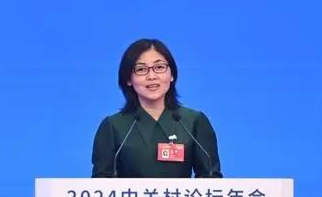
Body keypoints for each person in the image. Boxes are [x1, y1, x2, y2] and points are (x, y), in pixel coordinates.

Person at [91, 38, 223, 178]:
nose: (152, 76)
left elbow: (211, 178)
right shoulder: (113, 126)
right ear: (128, 79)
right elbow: (100, 183)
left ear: (172, 75)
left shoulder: (194, 122)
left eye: (159, 67)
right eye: (141, 69)